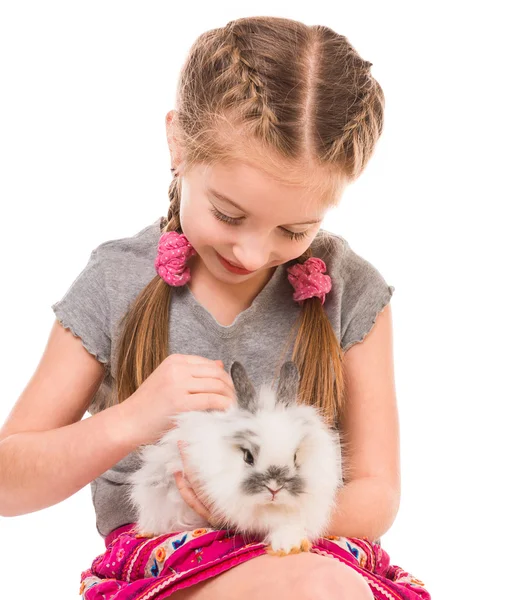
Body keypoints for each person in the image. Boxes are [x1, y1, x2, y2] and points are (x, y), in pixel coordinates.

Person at [0, 15, 431, 600]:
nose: (253, 252)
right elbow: (7, 481)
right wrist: (131, 417)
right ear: (178, 142)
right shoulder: (115, 280)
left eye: (294, 229)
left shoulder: (350, 291)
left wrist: (258, 515)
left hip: (308, 540)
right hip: (169, 553)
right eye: (229, 215)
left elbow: (377, 492)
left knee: (320, 584)